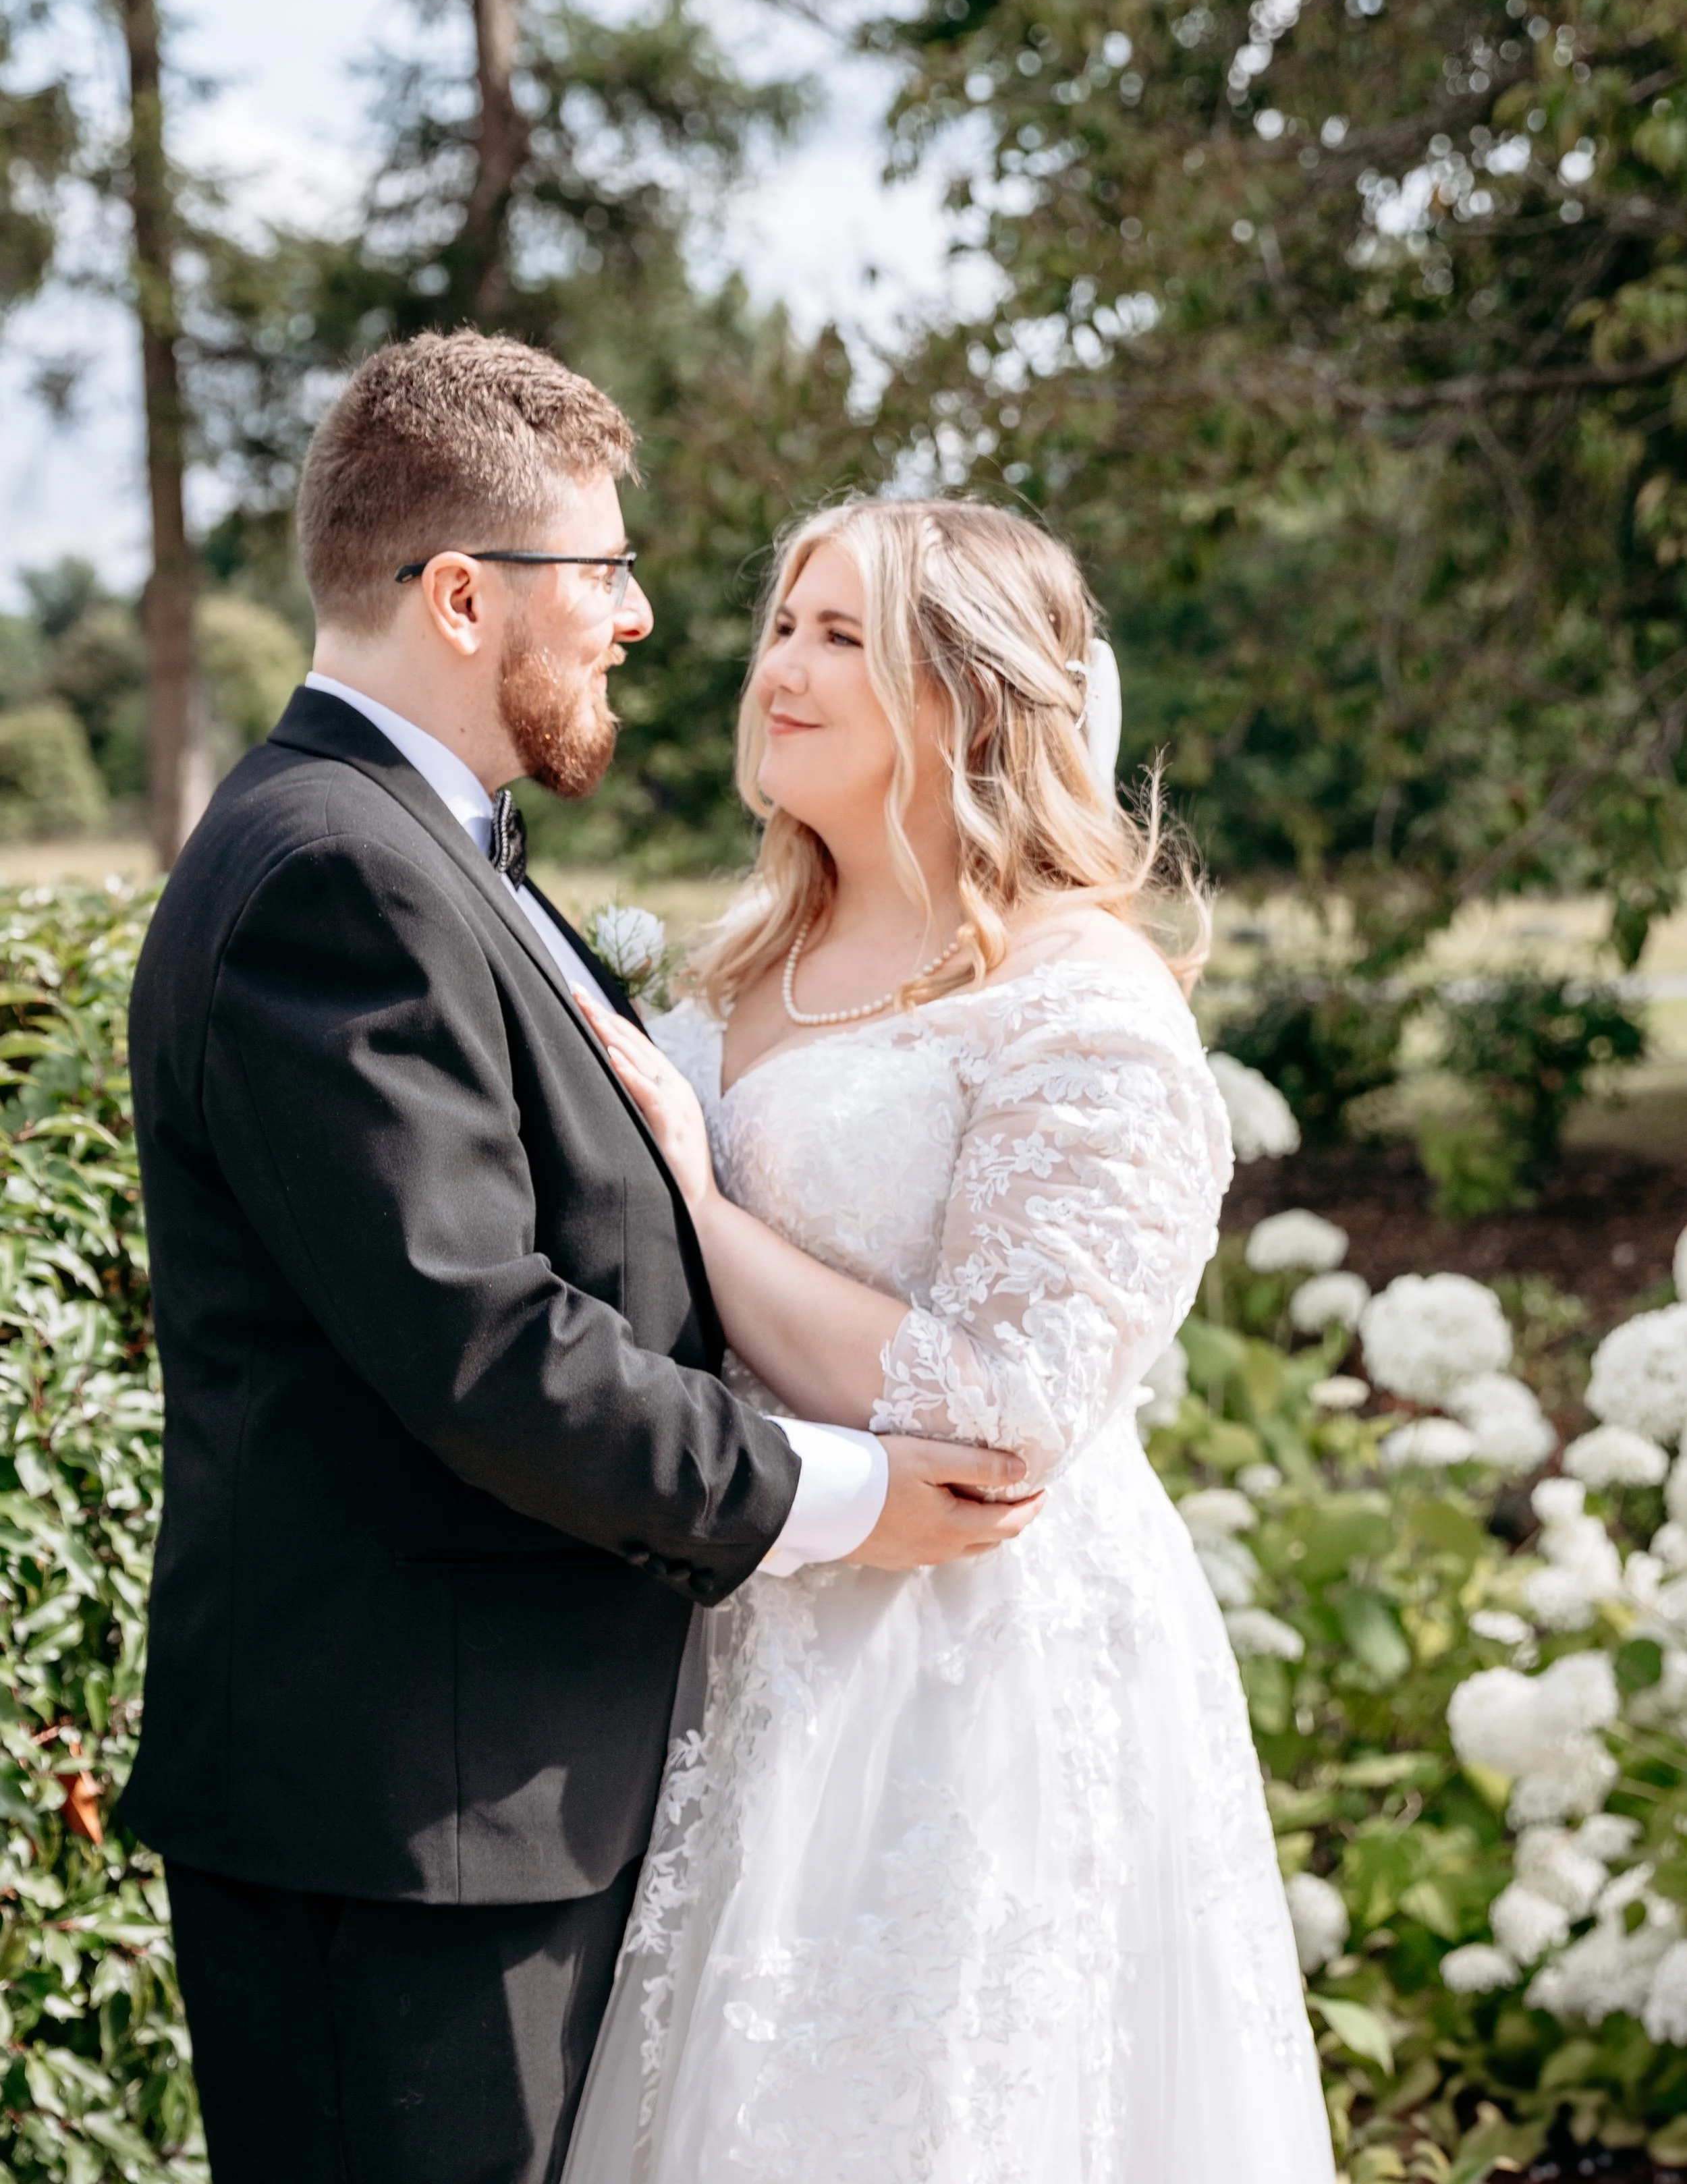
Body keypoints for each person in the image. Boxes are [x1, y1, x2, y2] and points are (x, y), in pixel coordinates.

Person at [119, 335, 1041, 2184]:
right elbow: (488, 1346)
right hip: (401, 1829)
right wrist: (847, 1494)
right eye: (600, 571)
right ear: (463, 597)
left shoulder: (430, 849)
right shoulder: (335, 874)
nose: (633, 619)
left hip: (485, 1796)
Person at [563, 497, 1337, 2182]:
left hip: (960, 1674)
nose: (780, 666)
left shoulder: (1083, 1001)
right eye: (783, 624)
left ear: (972, 700)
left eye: (843, 635)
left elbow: (998, 1411)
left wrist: (702, 1201)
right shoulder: (750, 955)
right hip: (739, 1630)